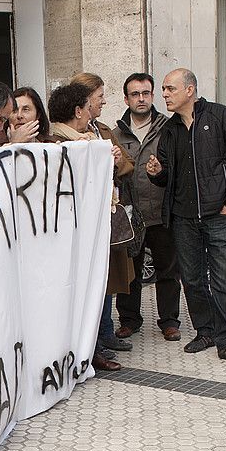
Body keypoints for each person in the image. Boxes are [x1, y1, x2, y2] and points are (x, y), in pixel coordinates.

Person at [147, 67, 226, 367]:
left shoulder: (222, 118)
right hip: (183, 219)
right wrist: (158, 174)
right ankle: (205, 331)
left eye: (170, 89)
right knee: (193, 280)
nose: (165, 94)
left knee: (223, 280)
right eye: (164, 90)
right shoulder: (169, 131)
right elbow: (168, 176)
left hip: (218, 216)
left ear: (189, 90)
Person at [48, 82, 133, 373]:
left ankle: (94, 346)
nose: (92, 113)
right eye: (89, 105)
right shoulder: (60, 144)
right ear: (78, 111)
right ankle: (89, 351)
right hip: (74, 232)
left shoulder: (85, 140)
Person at [70, 72, 138, 369]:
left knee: (109, 274)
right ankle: (96, 340)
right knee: (94, 278)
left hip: (109, 213)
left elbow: (127, 165)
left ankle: (107, 333)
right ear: (83, 103)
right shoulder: (65, 135)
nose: (104, 101)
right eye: (99, 97)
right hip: (87, 219)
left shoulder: (104, 129)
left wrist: (116, 160)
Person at [114, 72, 181, 342]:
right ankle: (129, 320)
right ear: (126, 98)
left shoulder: (168, 128)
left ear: (152, 95)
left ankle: (169, 321)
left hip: (162, 212)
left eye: (146, 93)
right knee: (130, 272)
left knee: (168, 271)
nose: (141, 99)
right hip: (131, 215)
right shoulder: (116, 133)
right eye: (135, 94)